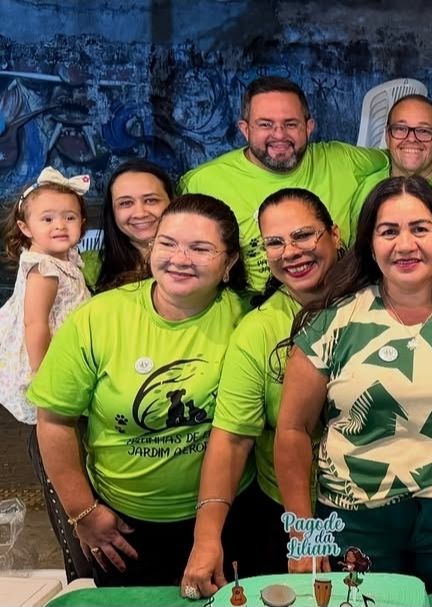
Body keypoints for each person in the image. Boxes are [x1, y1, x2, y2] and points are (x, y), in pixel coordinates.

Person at [274, 176, 432, 592]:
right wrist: (303, 533)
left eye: (420, 229)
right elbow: (293, 430)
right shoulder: (333, 320)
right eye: (389, 231)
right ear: (370, 244)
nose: (405, 245)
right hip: (352, 522)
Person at [28, 194, 250, 590]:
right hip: (123, 528)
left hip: (230, 516)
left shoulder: (247, 320)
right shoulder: (100, 317)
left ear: (229, 262)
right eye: (167, 243)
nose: (180, 258)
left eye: (200, 248)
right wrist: (83, 512)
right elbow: (55, 420)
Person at [181, 188, 342, 597]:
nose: (291, 252)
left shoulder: (379, 300)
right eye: (275, 242)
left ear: (335, 235)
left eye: (304, 235)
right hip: (289, 514)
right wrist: (206, 537)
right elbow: (233, 438)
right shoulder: (258, 329)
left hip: (379, 511)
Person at [180, 76, 388, 292]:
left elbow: (405, 159)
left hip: (343, 298)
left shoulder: (343, 160)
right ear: (245, 129)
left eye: (290, 124)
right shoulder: (203, 183)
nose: (279, 135)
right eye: (265, 124)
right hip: (258, 307)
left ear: (308, 127)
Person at [0, 167, 92, 581]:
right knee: (61, 447)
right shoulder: (43, 268)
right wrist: (45, 377)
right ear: (25, 227)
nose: (60, 225)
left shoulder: (67, 259)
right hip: (50, 371)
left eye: (70, 217)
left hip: (70, 366)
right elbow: (37, 325)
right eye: (48, 218)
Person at [353, 94, 432, 208]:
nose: (411, 139)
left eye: (423, 131)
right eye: (400, 129)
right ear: (387, 137)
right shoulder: (369, 189)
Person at [85, 160, 174, 291]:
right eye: (126, 203)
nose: (140, 213)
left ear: (173, 202)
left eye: (151, 200)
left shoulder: (196, 260)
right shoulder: (87, 266)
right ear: (112, 212)